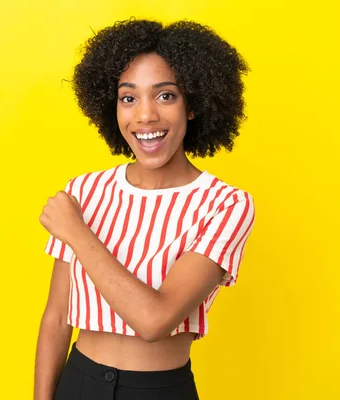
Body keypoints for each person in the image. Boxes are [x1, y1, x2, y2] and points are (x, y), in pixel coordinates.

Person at [34, 18, 256, 400]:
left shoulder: (225, 205)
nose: (145, 115)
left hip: (158, 390)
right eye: (128, 97)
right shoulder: (84, 191)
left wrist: (77, 232)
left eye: (166, 95)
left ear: (193, 104)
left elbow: (155, 320)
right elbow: (56, 320)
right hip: (78, 382)